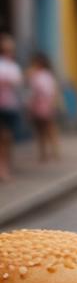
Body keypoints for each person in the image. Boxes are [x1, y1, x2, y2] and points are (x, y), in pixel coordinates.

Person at [24, 52, 60, 162]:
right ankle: (43, 153)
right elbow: (29, 88)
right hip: (36, 103)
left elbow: (51, 91)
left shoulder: (46, 75)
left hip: (45, 103)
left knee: (49, 128)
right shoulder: (33, 74)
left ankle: (55, 152)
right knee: (39, 129)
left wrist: (52, 103)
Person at [0, 34, 22, 181]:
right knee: (3, 137)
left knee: (8, 138)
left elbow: (18, 82)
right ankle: (3, 169)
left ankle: (7, 166)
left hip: (11, 105)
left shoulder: (13, 65)